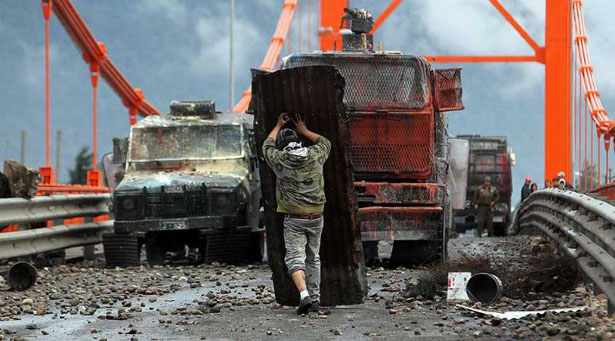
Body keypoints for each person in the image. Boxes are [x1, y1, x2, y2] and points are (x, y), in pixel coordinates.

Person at [262, 113, 331, 315]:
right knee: (313, 258)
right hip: (317, 216)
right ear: (299, 141)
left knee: (294, 259)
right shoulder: (316, 155)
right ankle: (316, 300)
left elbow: (267, 146)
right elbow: (325, 141)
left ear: (282, 146)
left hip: (294, 219)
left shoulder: (280, 160)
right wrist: (305, 130)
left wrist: (276, 125)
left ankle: (304, 296)